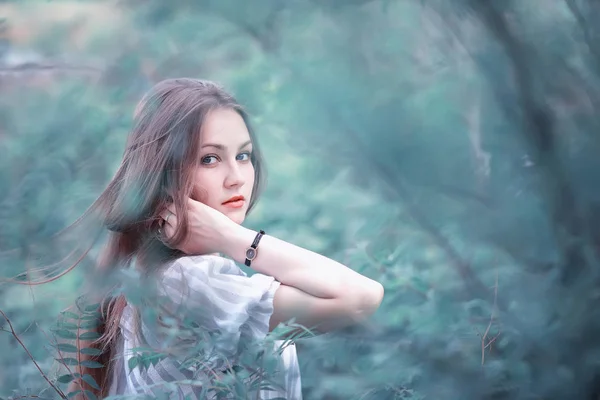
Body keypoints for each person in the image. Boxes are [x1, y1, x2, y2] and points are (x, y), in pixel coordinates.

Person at [62, 78, 384, 399]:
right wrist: (234, 237)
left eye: (243, 156)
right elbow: (361, 298)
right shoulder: (186, 281)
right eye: (210, 159)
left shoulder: (143, 274)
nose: (237, 178)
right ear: (163, 175)